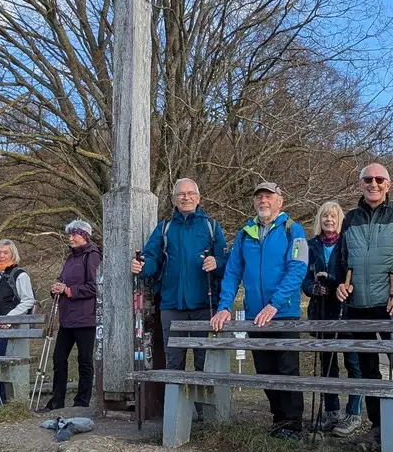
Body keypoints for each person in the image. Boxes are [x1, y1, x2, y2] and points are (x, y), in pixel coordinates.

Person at [333, 163, 393, 438]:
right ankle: (378, 428)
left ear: (389, 185)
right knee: (368, 371)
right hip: (357, 307)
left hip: (391, 305)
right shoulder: (350, 219)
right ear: (360, 184)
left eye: (379, 179)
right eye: (368, 179)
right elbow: (340, 262)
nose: (373, 184)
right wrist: (340, 284)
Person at [211, 181, 308, 438]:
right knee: (265, 370)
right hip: (255, 316)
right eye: (259, 197)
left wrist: (275, 304)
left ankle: (292, 425)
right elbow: (232, 273)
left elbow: (297, 269)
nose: (263, 201)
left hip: (284, 313)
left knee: (287, 370)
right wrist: (224, 306)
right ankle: (279, 419)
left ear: (280, 201)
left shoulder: (293, 230)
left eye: (268, 196)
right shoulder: (245, 233)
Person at [132, 179, 227, 406]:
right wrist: (142, 266)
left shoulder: (211, 227)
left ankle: (206, 414)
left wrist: (217, 262)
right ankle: (175, 414)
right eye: (181, 194)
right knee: (174, 362)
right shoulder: (164, 229)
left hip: (205, 306)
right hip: (171, 305)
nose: (186, 197)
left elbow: (227, 261)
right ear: (174, 199)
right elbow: (151, 258)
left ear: (198, 197)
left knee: (204, 362)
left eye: (190, 193)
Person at [302, 200, 364, 436]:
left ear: (340, 221)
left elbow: (353, 275)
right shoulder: (311, 245)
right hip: (321, 311)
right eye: (325, 216)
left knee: (353, 362)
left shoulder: (348, 243)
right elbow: (304, 279)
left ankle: (354, 413)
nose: (329, 220)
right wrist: (313, 288)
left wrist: (333, 279)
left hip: (346, 309)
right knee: (327, 363)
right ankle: (331, 411)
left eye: (334, 216)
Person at [47, 219, 102, 411]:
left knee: (84, 360)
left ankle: (81, 402)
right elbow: (64, 281)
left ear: (84, 236)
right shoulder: (71, 258)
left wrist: (69, 291)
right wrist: (56, 289)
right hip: (67, 317)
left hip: (86, 317)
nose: (70, 238)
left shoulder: (92, 256)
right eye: (69, 234)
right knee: (59, 358)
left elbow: (96, 287)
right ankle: (57, 401)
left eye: (74, 234)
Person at [0, 239, 36, 405]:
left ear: (12, 254)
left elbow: (28, 300)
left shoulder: (19, 275)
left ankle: (7, 402)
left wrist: (10, 318)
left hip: (7, 327)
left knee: (4, 363)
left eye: (5, 252)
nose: (1, 256)